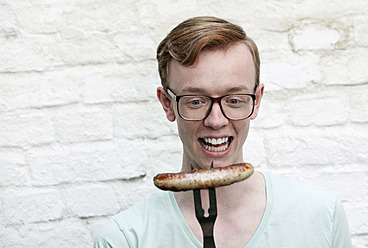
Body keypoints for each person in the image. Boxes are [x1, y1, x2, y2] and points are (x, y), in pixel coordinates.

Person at [94, 16, 352, 248]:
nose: (216, 121)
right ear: (167, 104)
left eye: (234, 100)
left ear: (257, 100)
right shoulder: (124, 239)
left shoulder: (321, 214)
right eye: (195, 101)